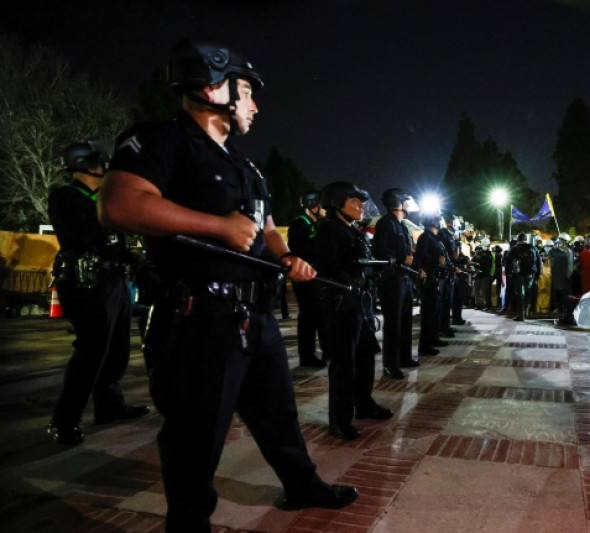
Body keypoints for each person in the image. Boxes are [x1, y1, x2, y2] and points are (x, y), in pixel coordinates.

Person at [97, 39, 357, 530]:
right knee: (197, 434)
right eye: (248, 92)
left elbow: (269, 224)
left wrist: (287, 257)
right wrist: (217, 226)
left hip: (252, 314)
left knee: (278, 413)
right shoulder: (160, 139)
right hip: (199, 317)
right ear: (213, 87)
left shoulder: (243, 163)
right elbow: (118, 204)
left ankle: (302, 486)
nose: (255, 105)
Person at [46, 140, 149, 445]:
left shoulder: (104, 198)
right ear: (87, 165)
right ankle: (64, 420)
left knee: (116, 348)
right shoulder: (66, 197)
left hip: (113, 279)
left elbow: (116, 240)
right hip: (84, 281)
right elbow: (80, 235)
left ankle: (109, 406)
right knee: (91, 350)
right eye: (100, 162)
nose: (105, 167)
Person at [312, 182, 393, 439]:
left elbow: (359, 261)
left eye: (360, 201)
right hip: (341, 304)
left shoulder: (351, 230)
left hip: (360, 301)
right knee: (344, 362)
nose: (360, 206)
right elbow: (328, 267)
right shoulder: (330, 231)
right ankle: (340, 420)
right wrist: (356, 270)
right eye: (354, 201)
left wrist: (376, 264)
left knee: (365, 354)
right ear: (337, 203)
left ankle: (364, 404)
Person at [372, 188, 421, 379]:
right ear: (399, 203)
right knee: (393, 323)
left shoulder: (401, 225)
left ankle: (404, 357)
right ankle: (390, 364)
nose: (408, 205)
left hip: (404, 278)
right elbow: (379, 249)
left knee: (406, 320)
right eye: (405, 202)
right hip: (392, 279)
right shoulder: (386, 223)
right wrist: (402, 257)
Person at [287, 188, 329, 368]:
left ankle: (327, 350)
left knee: (321, 315)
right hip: (305, 278)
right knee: (309, 317)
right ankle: (307, 355)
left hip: (318, 277)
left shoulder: (318, 224)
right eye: (320, 205)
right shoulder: (300, 224)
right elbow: (300, 249)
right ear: (313, 205)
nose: (323, 208)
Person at [414, 214, 450, 355]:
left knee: (436, 312)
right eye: (439, 220)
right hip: (429, 279)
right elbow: (421, 257)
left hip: (437, 278)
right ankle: (425, 345)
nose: (441, 222)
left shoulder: (436, 238)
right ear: (433, 222)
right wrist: (437, 260)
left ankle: (434, 338)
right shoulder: (425, 237)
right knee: (429, 313)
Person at [505, 233, 540, 321]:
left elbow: (508, 261)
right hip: (531, 274)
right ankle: (528, 311)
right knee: (528, 293)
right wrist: (537, 275)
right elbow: (538, 262)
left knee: (520, 294)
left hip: (519, 274)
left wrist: (508, 272)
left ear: (518, 240)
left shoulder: (515, 249)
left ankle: (521, 315)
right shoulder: (533, 248)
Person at [548, 233, 574, 314]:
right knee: (564, 297)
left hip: (555, 278)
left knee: (556, 296)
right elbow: (570, 268)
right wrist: (568, 278)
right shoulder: (569, 252)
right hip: (564, 279)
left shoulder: (552, 252)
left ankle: (556, 309)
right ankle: (563, 311)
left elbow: (550, 265)